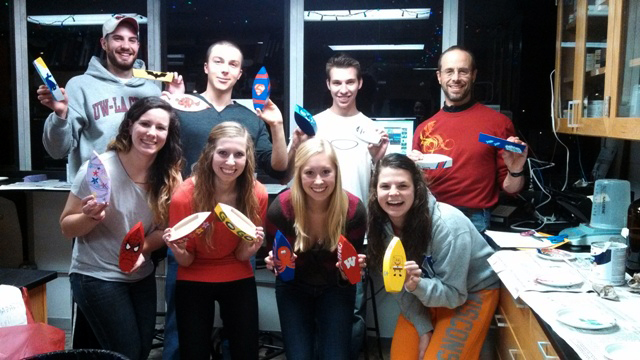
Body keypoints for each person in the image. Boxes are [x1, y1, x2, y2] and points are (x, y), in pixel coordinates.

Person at [160, 40, 288, 360]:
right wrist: (170, 105)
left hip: (232, 238)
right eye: (218, 61)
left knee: (241, 338)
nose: (225, 69)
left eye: (232, 64)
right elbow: (154, 146)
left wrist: (277, 125)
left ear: (239, 73)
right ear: (206, 67)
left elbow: (278, 168)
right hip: (189, 224)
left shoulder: (251, 118)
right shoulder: (182, 107)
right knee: (183, 333)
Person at [59, 96, 183, 360]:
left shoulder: (170, 176)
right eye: (145, 124)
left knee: (141, 351)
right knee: (127, 354)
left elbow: (166, 229)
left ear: (168, 135)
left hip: (140, 276)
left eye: (161, 128)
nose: (152, 133)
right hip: (96, 276)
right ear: (129, 126)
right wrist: (90, 217)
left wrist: (144, 249)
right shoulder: (99, 169)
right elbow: (67, 228)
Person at [286, 53, 388, 357]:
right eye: (337, 82)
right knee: (312, 309)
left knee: (353, 311)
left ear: (359, 84)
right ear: (328, 85)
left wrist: (379, 157)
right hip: (313, 230)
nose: (343, 89)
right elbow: (294, 174)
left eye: (350, 82)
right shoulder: (313, 125)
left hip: (355, 231)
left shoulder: (372, 130)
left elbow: (380, 186)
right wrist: (294, 144)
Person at [367, 153, 500, 360]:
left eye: (402, 186)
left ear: (417, 189)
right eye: (385, 186)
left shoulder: (447, 225)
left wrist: (416, 286)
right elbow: (399, 287)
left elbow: (455, 295)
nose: (393, 194)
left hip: (470, 291)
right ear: (375, 191)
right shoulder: (382, 226)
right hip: (426, 290)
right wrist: (424, 329)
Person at [163, 122, 266, 360]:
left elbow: (241, 256)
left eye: (238, 155)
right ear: (210, 153)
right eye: (223, 153)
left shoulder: (256, 193)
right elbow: (186, 262)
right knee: (193, 352)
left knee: (246, 351)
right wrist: (177, 251)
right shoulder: (184, 196)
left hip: (237, 271)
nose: (230, 162)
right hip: (194, 273)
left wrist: (252, 249)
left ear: (247, 157)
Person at [37, 14, 184, 178]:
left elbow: (165, 145)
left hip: (142, 189)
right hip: (94, 192)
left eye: (132, 40)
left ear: (138, 45)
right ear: (104, 43)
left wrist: (176, 102)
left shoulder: (152, 90)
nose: (126, 46)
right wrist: (60, 114)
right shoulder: (79, 86)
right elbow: (57, 151)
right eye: (118, 38)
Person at [265, 138, 367, 360]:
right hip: (293, 288)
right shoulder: (281, 209)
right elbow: (279, 265)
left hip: (336, 288)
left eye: (326, 172)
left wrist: (349, 270)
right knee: (299, 356)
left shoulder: (354, 210)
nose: (318, 181)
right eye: (309, 173)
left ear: (336, 173)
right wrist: (274, 264)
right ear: (299, 175)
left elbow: (350, 273)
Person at [410, 46, 528, 233]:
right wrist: (410, 170)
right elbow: (414, 186)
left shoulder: (498, 124)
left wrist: (516, 170)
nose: (455, 78)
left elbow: (511, 189)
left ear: (473, 75)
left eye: (463, 71)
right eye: (449, 71)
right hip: (430, 216)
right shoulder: (424, 129)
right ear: (439, 76)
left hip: (474, 221)